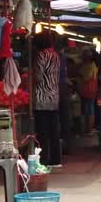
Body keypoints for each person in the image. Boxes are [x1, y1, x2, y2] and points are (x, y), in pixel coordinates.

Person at [33, 32, 62, 166]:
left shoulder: (41, 55)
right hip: (54, 96)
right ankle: (56, 159)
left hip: (42, 97)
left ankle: (43, 159)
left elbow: (38, 77)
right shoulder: (56, 55)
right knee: (54, 131)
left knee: (42, 131)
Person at [79, 49, 99, 135]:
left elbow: (87, 77)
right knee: (87, 110)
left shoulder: (91, 65)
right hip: (87, 91)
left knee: (89, 110)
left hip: (89, 90)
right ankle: (87, 129)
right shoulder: (88, 65)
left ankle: (89, 129)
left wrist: (79, 75)